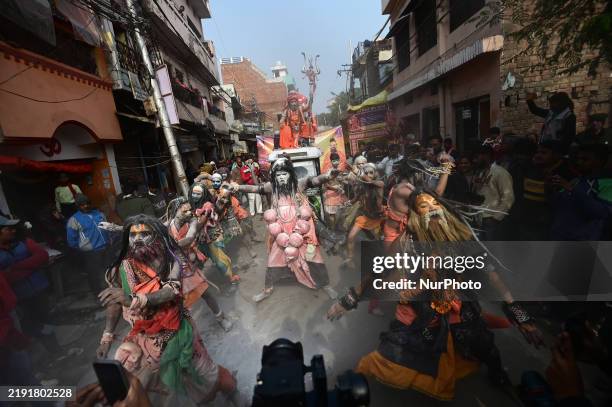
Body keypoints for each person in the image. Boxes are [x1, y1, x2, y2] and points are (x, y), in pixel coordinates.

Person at [328, 189, 543, 401]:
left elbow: (492, 276)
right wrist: (350, 300)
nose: (432, 209)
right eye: (424, 206)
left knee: (485, 347)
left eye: (435, 205)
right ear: (416, 216)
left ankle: (500, 378)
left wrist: (520, 315)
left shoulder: (461, 237)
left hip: (461, 307)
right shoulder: (407, 242)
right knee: (407, 351)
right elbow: (379, 272)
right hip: (425, 312)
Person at [96, 215, 242, 405]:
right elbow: (114, 302)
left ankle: (231, 389)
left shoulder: (169, 261)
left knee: (204, 373)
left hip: (177, 331)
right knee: (134, 380)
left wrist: (134, 299)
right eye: (133, 235)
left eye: (144, 234)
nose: (137, 240)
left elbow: (170, 293)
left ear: (156, 236)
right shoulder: (120, 268)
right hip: (143, 335)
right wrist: (107, 336)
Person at [230, 157, 338, 303]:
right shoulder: (271, 187)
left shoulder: (298, 184)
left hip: (302, 230)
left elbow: (314, 180)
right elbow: (255, 188)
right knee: (273, 260)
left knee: (314, 258)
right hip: (280, 231)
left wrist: (327, 176)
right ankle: (267, 289)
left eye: (284, 174)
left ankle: (325, 285)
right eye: (278, 175)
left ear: (290, 174)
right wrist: (238, 187)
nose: (281, 178)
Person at [166, 197, 233, 331]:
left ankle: (221, 318)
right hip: (173, 270)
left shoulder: (191, 223)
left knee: (206, 293)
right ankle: (186, 333)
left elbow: (191, 235)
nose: (189, 213)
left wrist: (208, 213)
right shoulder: (167, 227)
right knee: (178, 305)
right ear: (175, 210)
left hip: (189, 265)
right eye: (184, 211)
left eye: (189, 210)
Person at [0, 215, 61, 354]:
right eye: (7, 229)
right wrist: (30, 267)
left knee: (46, 318)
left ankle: (56, 350)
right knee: (29, 324)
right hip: (19, 296)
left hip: (38, 288)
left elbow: (42, 256)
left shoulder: (23, 242)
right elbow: (5, 278)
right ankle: (37, 354)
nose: (12, 231)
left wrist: (16, 267)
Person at [550, 143, 612, 241]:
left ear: (599, 162)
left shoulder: (608, 183)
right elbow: (558, 206)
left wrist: (572, 190)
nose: (579, 162)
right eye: (578, 159)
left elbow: (603, 213)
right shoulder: (577, 180)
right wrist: (553, 189)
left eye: (585, 159)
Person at [189, 183, 241, 291]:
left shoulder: (207, 205)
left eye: (198, 194)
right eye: (193, 193)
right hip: (202, 239)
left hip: (213, 237)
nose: (195, 195)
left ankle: (232, 281)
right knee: (201, 261)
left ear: (203, 194)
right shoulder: (194, 206)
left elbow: (201, 223)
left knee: (220, 261)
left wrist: (191, 226)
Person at [518, 141, 574, 240]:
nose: (538, 155)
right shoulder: (530, 167)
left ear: (556, 155)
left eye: (544, 153)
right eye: (537, 152)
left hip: (551, 224)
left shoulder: (566, 173)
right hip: (527, 221)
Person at [66, 194, 110, 294]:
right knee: (94, 275)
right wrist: (84, 247)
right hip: (91, 252)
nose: (85, 206)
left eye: (87, 204)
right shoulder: (74, 219)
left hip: (106, 248)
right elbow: (71, 240)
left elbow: (107, 228)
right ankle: (97, 295)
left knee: (109, 272)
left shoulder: (99, 214)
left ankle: (113, 292)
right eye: (82, 205)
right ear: (78, 206)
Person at [471, 145, 515, 240]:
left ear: (486, 156)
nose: (475, 161)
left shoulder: (500, 173)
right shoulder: (481, 172)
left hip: (492, 220)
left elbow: (508, 198)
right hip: (480, 218)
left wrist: (496, 218)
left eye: (477, 157)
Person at [323, 153, 348, 231]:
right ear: (331, 161)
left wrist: (343, 183)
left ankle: (342, 228)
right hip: (331, 194)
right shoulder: (328, 172)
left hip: (340, 194)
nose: (336, 162)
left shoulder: (341, 171)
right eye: (334, 161)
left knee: (343, 212)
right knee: (332, 214)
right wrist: (335, 189)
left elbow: (343, 182)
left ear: (339, 160)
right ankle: (332, 229)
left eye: (337, 160)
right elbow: (326, 185)